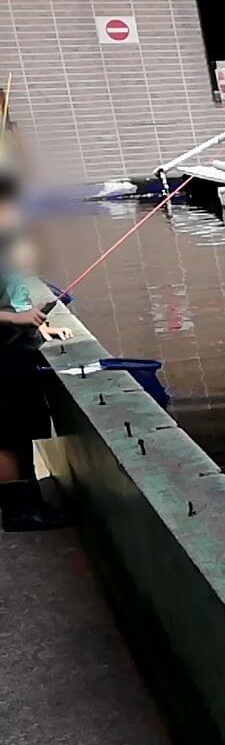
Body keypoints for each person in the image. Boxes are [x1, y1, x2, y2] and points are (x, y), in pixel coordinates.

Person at [0, 169, 70, 531]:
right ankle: (18, 511)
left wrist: (39, 323)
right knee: (6, 434)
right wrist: (14, 320)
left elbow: (16, 295)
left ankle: (31, 502)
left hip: (12, 349)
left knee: (19, 427)